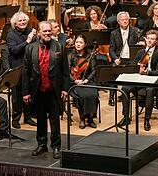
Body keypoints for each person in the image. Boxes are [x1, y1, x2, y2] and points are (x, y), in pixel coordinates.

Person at [22, 21, 70, 159]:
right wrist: (25, 92)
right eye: (45, 31)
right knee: (41, 119)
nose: (48, 33)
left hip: (54, 90)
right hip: (38, 90)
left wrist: (65, 89)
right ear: (38, 33)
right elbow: (25, 72)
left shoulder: (59, 46)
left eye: (49, 31)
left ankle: (56, 147)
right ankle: (42, 145)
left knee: (55, 121)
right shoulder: (30, 48)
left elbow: (65, 71)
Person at [118, 30, 158, 131]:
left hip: (154, 81)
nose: (149, 41)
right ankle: (126, 117)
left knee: (149, 91)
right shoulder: (140, 52)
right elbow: (134, 65)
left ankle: (147, 120)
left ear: (156, 41)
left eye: (152, 39)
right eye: (148, 38)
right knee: (124, 88)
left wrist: (147, 72)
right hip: (140, 79)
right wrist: (138, 68)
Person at [6, 11, 37, 129]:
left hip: (29, 66)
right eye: (20, 21)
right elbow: (14, 50)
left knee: (28, 92)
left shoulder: (30, 31)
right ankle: (15, 118)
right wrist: (27, 41)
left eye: (24, 20)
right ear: (15, 23)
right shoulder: (11, 35)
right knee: (17, 95)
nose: (23, 22)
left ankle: (28, 117)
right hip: (17, 67)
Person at [108, 11, 139, 106]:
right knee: (112, 71)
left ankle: (132, 94)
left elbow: (140, 42)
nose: (125, 21)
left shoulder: (135, 31)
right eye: (123, 20)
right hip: (120, 59)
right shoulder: (114, 33)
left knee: (135, 71)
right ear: (118, 21)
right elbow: (111, 49)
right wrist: (115, 59)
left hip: (132, 59)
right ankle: (112, 96)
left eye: (126, 19)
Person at [69, 35, 98, 129]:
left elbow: (94, 70)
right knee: (81, 96)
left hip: (87, 81)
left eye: (81, 42)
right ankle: (82, 118)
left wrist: (87, 80)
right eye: (77, 42)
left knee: (93, 94)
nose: (78, 44)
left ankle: (90, 118)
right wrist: (75, 80)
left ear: (85, 44)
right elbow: (67, 71)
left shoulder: (90, 56)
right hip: (75, 83)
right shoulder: (71, 55)